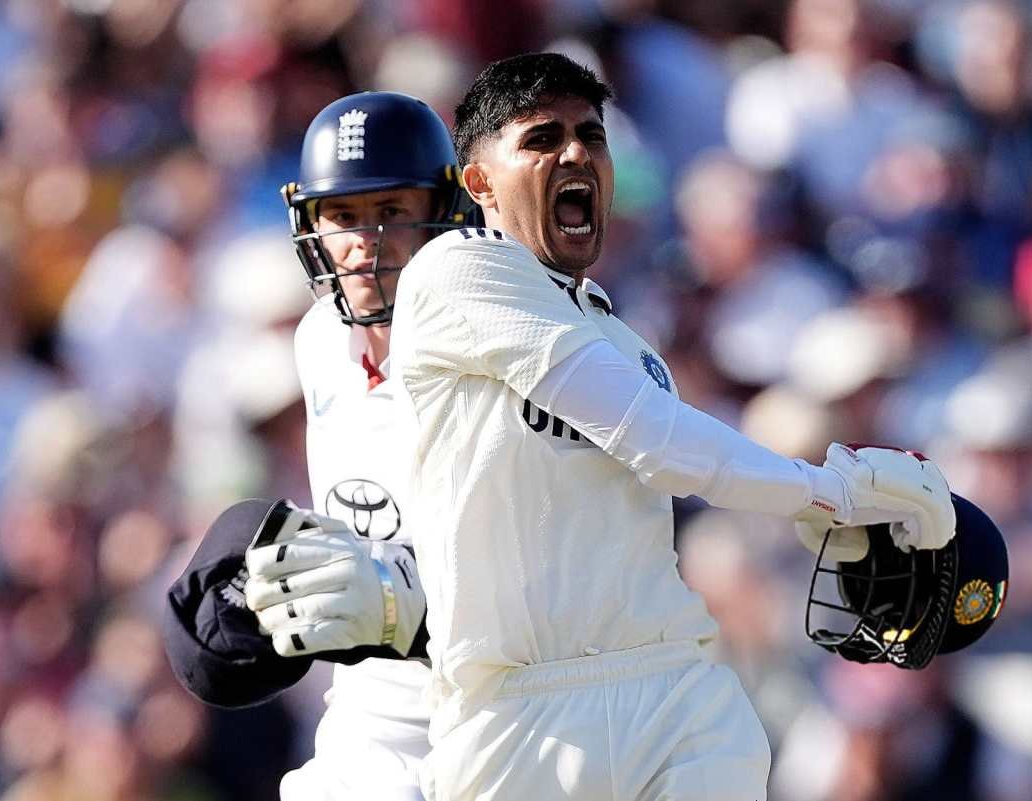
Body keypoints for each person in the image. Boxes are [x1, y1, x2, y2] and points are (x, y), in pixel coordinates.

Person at [387, 52, 957, 801]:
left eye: (591, 136)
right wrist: (834, 493)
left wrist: (825, 519)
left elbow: (677, 453)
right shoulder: (457, 272)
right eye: (541, 138)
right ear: (479, 183)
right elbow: (658, 441)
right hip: (523, 708)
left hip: (674, 683)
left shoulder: (627, 342)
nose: (575, 153)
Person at [163, 90, 474, 801]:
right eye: (342, 215)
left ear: (445, 210)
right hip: (368, 719)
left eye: (391, 209)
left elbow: (554, 590)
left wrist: (402, 606)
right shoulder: (318, 342)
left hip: (504, 718)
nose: (366, 240)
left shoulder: (499, 350)